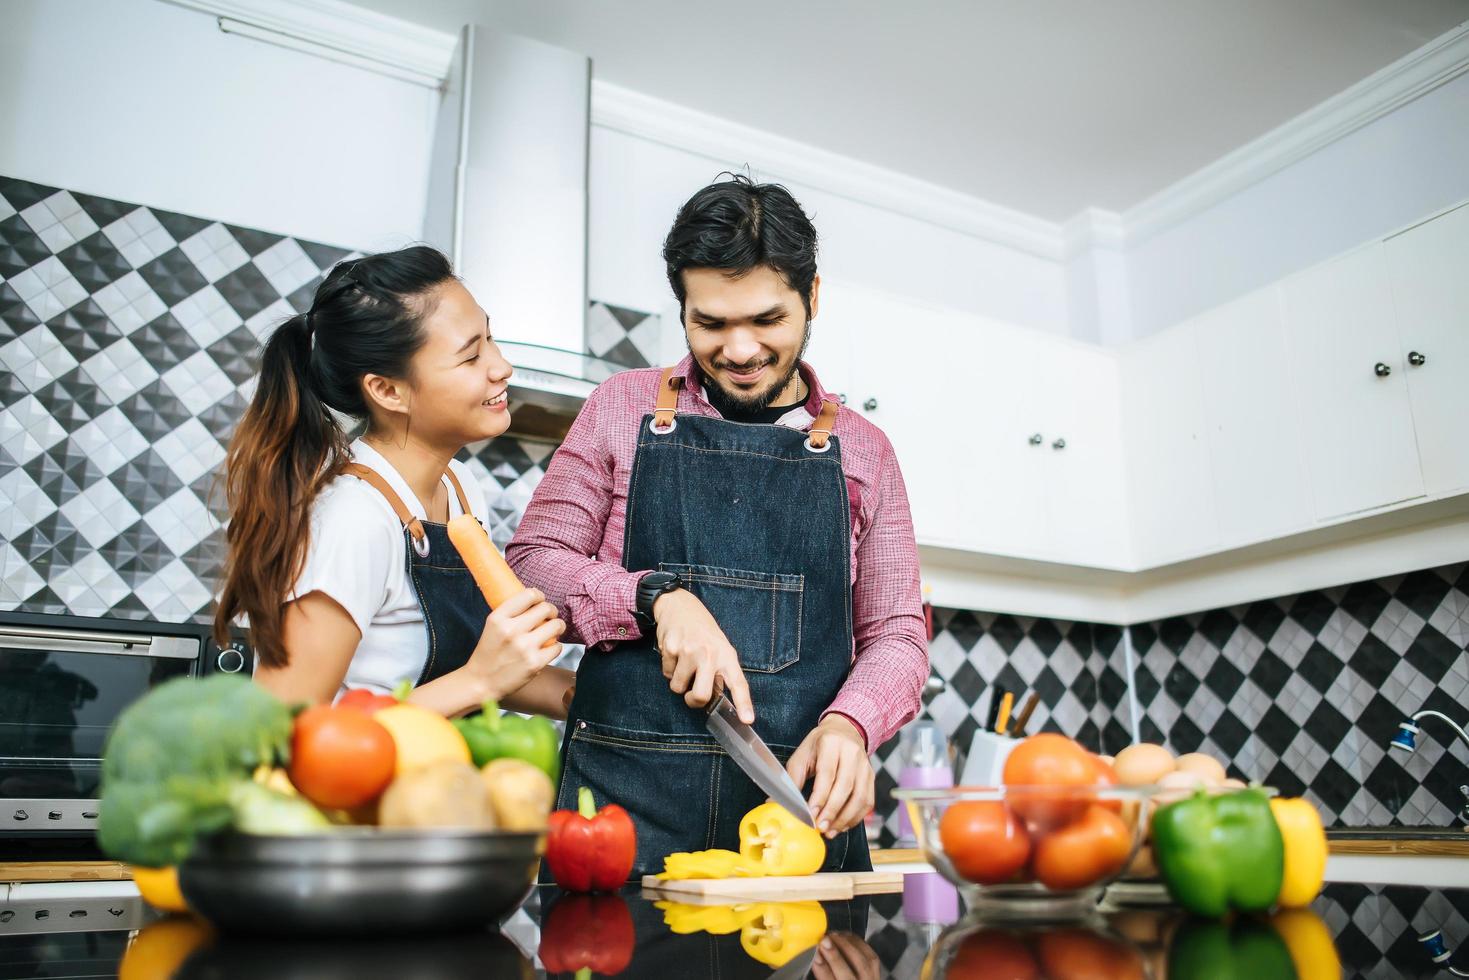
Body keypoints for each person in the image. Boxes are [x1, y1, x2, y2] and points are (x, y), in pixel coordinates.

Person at [507, 175, 928, 873]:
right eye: (710, 323)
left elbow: (897, 634)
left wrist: (851, 724)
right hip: (617, 819)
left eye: (766, 321)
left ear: (812, 297)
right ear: (681, 308)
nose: (738, 350)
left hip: (796, 821)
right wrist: (655, 598)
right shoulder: (619, 406)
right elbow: (530, 567)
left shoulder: (865, 451)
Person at [214, 245, 568, 717]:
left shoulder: (458, 489)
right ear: (387, 390)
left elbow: (466, 675)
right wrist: (480, 679)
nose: (501, 366)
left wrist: (622, 701)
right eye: (470, 357)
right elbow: (283, 728)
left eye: (490, 338)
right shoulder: (353, 518)